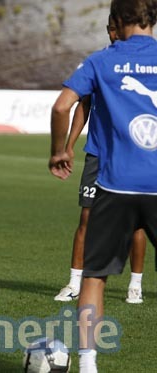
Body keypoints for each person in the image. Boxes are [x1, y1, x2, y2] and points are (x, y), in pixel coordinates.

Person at [49, 1, 157, 371]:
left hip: (116, 184)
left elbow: (63, 106)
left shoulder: (100, 61)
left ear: (117, 21)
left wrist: (57, 153)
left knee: (94, 275)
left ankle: (88, 365)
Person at [54, 15, 146, 304]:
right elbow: (82, 106)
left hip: (133, 153)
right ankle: (73, 283)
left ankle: (135, 285)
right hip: (98, 153)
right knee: (86, 218)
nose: (116, 34)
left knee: (137, 222)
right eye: (112, 29)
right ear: (110, 30)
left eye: (120, 28)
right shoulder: (100, 63)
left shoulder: (142, 65)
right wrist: (69, 145)